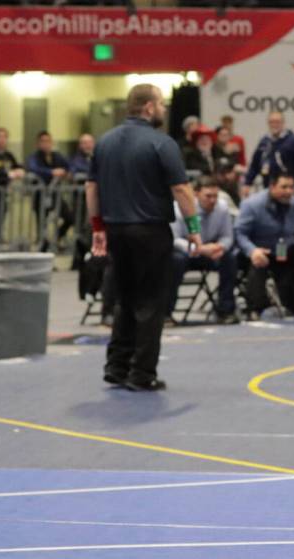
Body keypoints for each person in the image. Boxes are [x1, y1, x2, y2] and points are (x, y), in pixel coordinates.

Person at [85, 83, 202, 392]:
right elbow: (181, 190)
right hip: (150, 231)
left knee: (124, 298)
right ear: (149, 107)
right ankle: (142, 373)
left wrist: (98, 228)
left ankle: (117, 366)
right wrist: (194, 228)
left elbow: (91, 188)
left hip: (116, 230)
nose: (164, 109)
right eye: (161, 104)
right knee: (151, 303)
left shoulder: (104, 142)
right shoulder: (162, 144)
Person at [235, 170, 294, 320]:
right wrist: (252, 251)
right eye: (283, 187)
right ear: (272, 187)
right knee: (258, 261)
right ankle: (256, 308)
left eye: (291, 187)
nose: (288, 191)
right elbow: (240, 233)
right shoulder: (252, 205)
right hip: (262, 249)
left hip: (285, 249)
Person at [169, 177, 239, 324]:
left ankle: (226, 311)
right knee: (175, 260)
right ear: (196, 194)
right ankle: (166, 312)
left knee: (229, 257)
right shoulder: (179, 209)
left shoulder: (222, 208)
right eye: (208, 196)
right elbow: (175, 240)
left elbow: (227, 237)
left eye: (215, 196)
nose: (213, 200)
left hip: (211, 252)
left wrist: (220, 247)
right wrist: (199, 249)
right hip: (186, 252)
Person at [27, 131, 73, 249]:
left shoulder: (57, 156)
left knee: (69, 217)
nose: (46, 144)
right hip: (40, 195)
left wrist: (67, 173)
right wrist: (51, 172)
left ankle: (56, 237)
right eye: (43, 141)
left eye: (48, 141)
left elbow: (69, 166)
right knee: (42, 223)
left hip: (55, 194)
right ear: (38, 143)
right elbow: (33, 169)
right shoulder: (34, 157)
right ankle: (43, 246)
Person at [244, 111, 294, 188]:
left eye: (277, 122)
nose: (274, 125)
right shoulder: (264, 141)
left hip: (289, 188)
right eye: (271, 122)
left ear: (283, 123)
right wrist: (247, 183)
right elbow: (254, 165)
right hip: (268, 186)